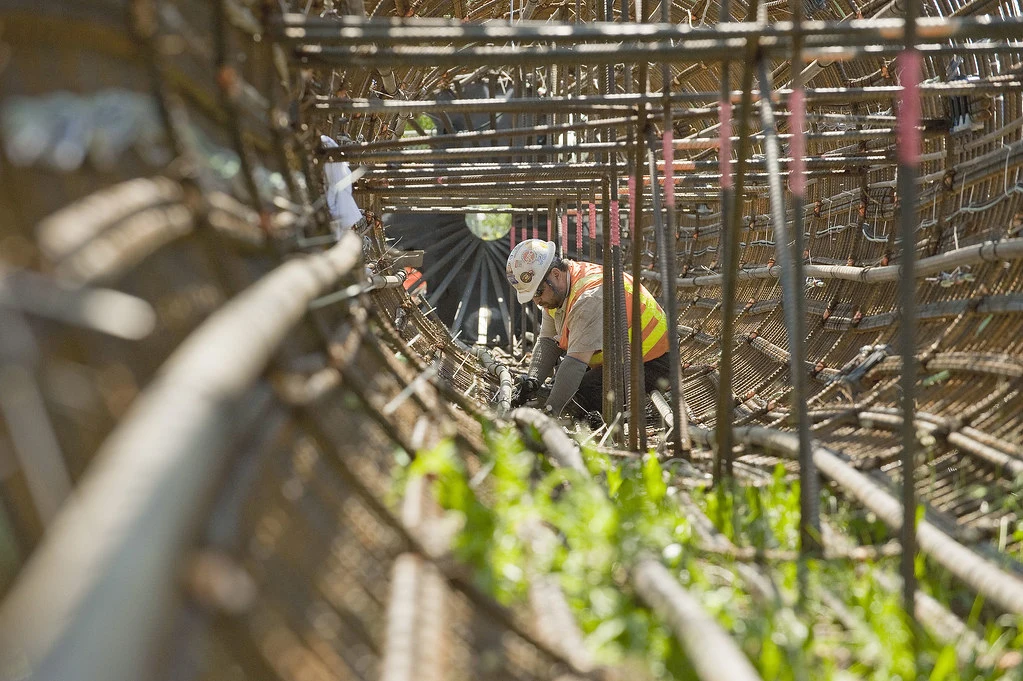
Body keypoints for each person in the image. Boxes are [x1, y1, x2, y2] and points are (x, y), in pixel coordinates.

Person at [506, 238, 670, 417]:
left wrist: (549, 413)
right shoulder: (557, 291)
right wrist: (532, 382)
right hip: (621, 359)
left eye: (538, 292)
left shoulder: (588, 298)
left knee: (580, 394)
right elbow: (547, 342)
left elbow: (575, 363)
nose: (537, 301)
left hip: (652, 363)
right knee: (559, 384)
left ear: (555, 274)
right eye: (532, 296)